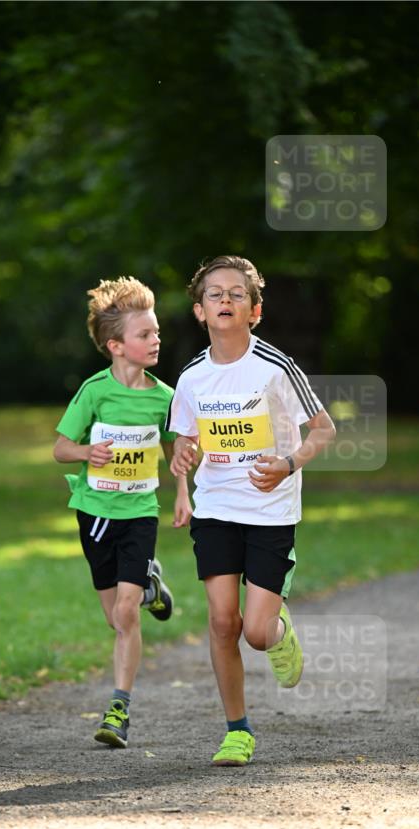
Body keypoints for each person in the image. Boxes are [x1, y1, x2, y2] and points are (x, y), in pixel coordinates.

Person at [168, 255, 336, 766]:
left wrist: (289, 463)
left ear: (254, 310)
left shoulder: (275, 368)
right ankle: (237, 730)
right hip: (216, 505)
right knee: (222, 621)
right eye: (214, 294)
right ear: (200, 311)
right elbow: (184, 438)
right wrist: (182, 454)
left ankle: (278, 630)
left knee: (255, 632)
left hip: (270, 508)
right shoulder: (192, 377)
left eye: (236, 294)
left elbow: (323, 430)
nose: (224, 300)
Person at [54, 276, 192, 749]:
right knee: (116, 618)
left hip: (139, 514)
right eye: (144, 335)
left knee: (127, 614)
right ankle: (153, 586)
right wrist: (86, 453)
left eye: (156, 333)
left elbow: (180, 447)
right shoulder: (94, 392)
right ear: (116, 345)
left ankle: (119, 709)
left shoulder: (165, 398)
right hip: (94, 513)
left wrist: (182, 492)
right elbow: (60, 448)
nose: (156, 341)